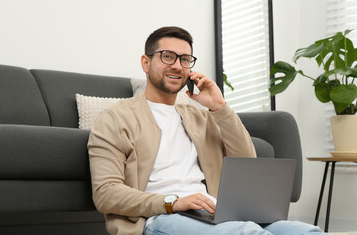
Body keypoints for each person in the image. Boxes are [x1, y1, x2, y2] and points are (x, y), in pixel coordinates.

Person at [88, 26, 325, 235]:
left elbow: (246, 161)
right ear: (146, 62)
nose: (177, 66)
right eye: (167, 56)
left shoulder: (200, 116)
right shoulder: (115, 118)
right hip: (160, 218)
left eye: (185, 59)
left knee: (306, 231)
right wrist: (173, 202)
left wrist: (220, 108)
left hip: (213, 212)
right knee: (246, 233)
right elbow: (106, 193)